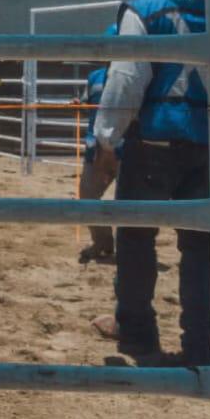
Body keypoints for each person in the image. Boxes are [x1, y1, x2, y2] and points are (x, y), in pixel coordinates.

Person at [91, 0, 210, 367]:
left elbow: (126, 81)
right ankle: (203, 342)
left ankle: (137, 331)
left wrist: (106, 141)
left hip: (153, 141)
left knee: (137, 238)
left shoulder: (142, 12)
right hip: (208, 143)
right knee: (201, 245)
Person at [75, 32, 117, 264]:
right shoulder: (95, 77)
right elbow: (86, 102)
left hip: (126, 148)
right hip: (95, 147)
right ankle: (103, 243)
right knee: (87, 197)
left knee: (130, 201)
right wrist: (79, 105)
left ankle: (131, 247)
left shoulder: (136, 76)